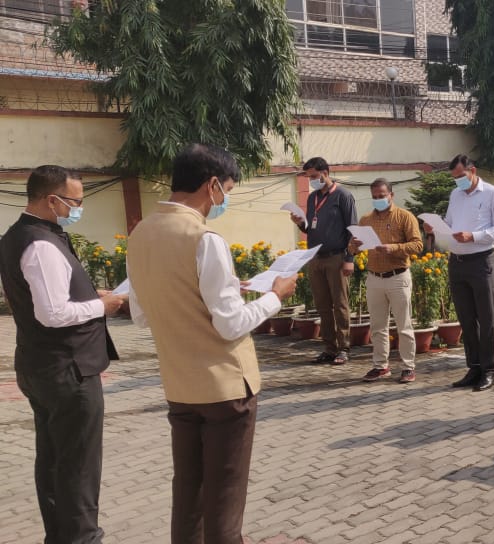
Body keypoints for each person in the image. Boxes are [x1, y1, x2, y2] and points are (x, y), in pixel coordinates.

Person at [127, 144, 297, 543]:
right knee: (224, 497)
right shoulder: (204, 238)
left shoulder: (141, 233)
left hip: (179, 385)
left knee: (189, 491)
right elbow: (231, 324)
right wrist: (276, 296)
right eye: (228, 191)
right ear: (213, 185)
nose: (225, 200)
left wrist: (219, 291)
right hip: (225, 389)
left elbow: (142, 314)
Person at [0, 165, 124, 544]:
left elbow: (44, 297)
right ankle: (81, 537)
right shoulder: (40, 244)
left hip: (44, 366)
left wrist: (90, 295)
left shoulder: (20, 235)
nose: (78, 208)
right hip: (67, 371)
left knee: (55, 459)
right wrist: (102, 307)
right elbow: (52, 314)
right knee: (79, 466)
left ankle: (60, 536)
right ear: (52, 200)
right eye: (75, 202)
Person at [428, 154, 494, 392]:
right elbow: (450, 223)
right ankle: (474, 367)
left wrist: (473, 236)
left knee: (486, 318)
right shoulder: (455, 194)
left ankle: (489, 370)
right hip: (457, 262)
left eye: (461, 176)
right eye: (454, 178)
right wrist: (435, 227)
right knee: (466, 318)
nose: (458, 181)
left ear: (472, 171)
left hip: (481, 260)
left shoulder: (492, 193)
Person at [349, 178, 423, 384]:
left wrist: (394, 248)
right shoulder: (366, 219)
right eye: (374, 197)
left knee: (404, 325)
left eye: (382, 196)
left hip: (398, 276)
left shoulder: (404, 216)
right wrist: (354, 245)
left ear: (391, 195)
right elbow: (353, 249)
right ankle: (380, 366)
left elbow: (418, 245)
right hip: (374, 277)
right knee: (377, 326)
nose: (378, 199)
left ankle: (408, 367)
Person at [289, 157, 358, 366]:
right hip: (316, 258)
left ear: (325, 173)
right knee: (323, 305)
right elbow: (311, 227)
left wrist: (349, 259)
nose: (311, 181)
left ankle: (344, 348)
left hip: (337, 257)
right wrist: (300, 223)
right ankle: (329, 348)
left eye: (314, 176)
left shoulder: (343, 196)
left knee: (340, 304)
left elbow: (353, 230)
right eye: (308, 177)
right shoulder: (312, 198)